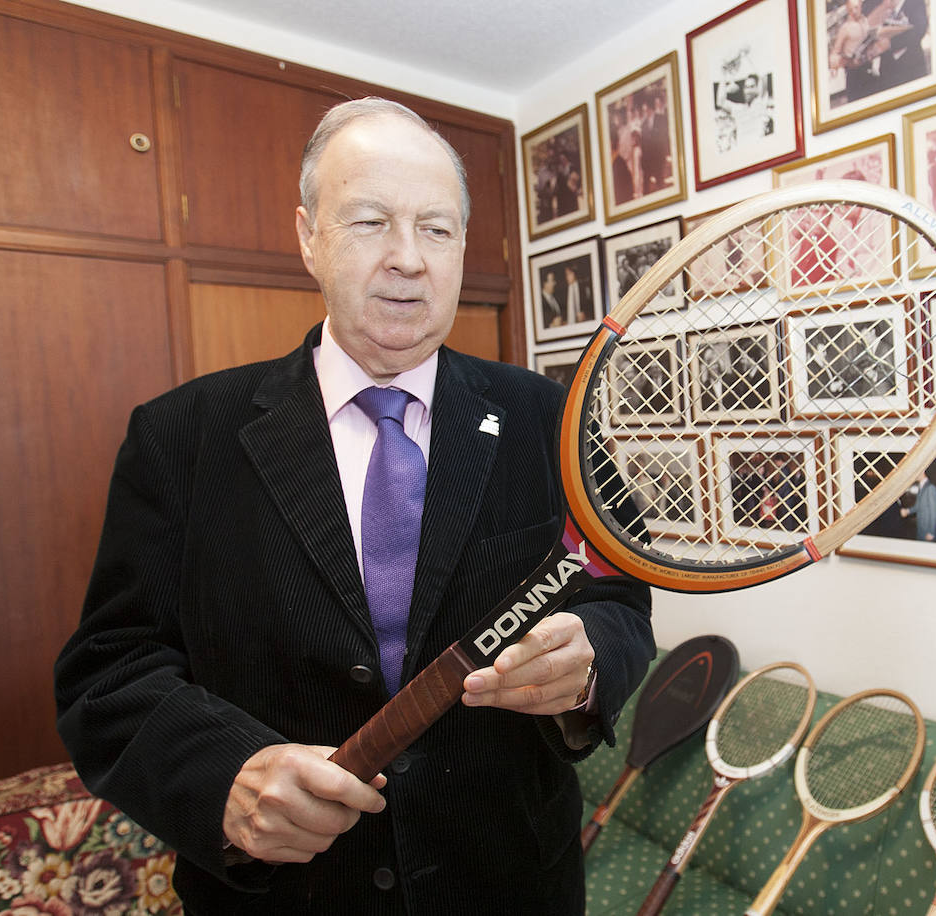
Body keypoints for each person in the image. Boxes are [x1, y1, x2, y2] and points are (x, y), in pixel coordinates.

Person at [53, 98, 655, 914]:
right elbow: (110, 672)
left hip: (512, 882)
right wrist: (224, 774)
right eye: (371, 221)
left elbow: (619, 594)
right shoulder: (178, 437)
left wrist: (587, 664)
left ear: (462, 246)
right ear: (309, 237)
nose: (408, 258)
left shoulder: (549, 417)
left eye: (436, 229)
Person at [899, 470, 936, 542]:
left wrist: (931, 532)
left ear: (922, 472)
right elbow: (919, 506)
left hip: (927, 531)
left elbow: (935, 512)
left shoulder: (930, 488)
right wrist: (907, 511)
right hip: (921, 528)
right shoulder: (922, 486)